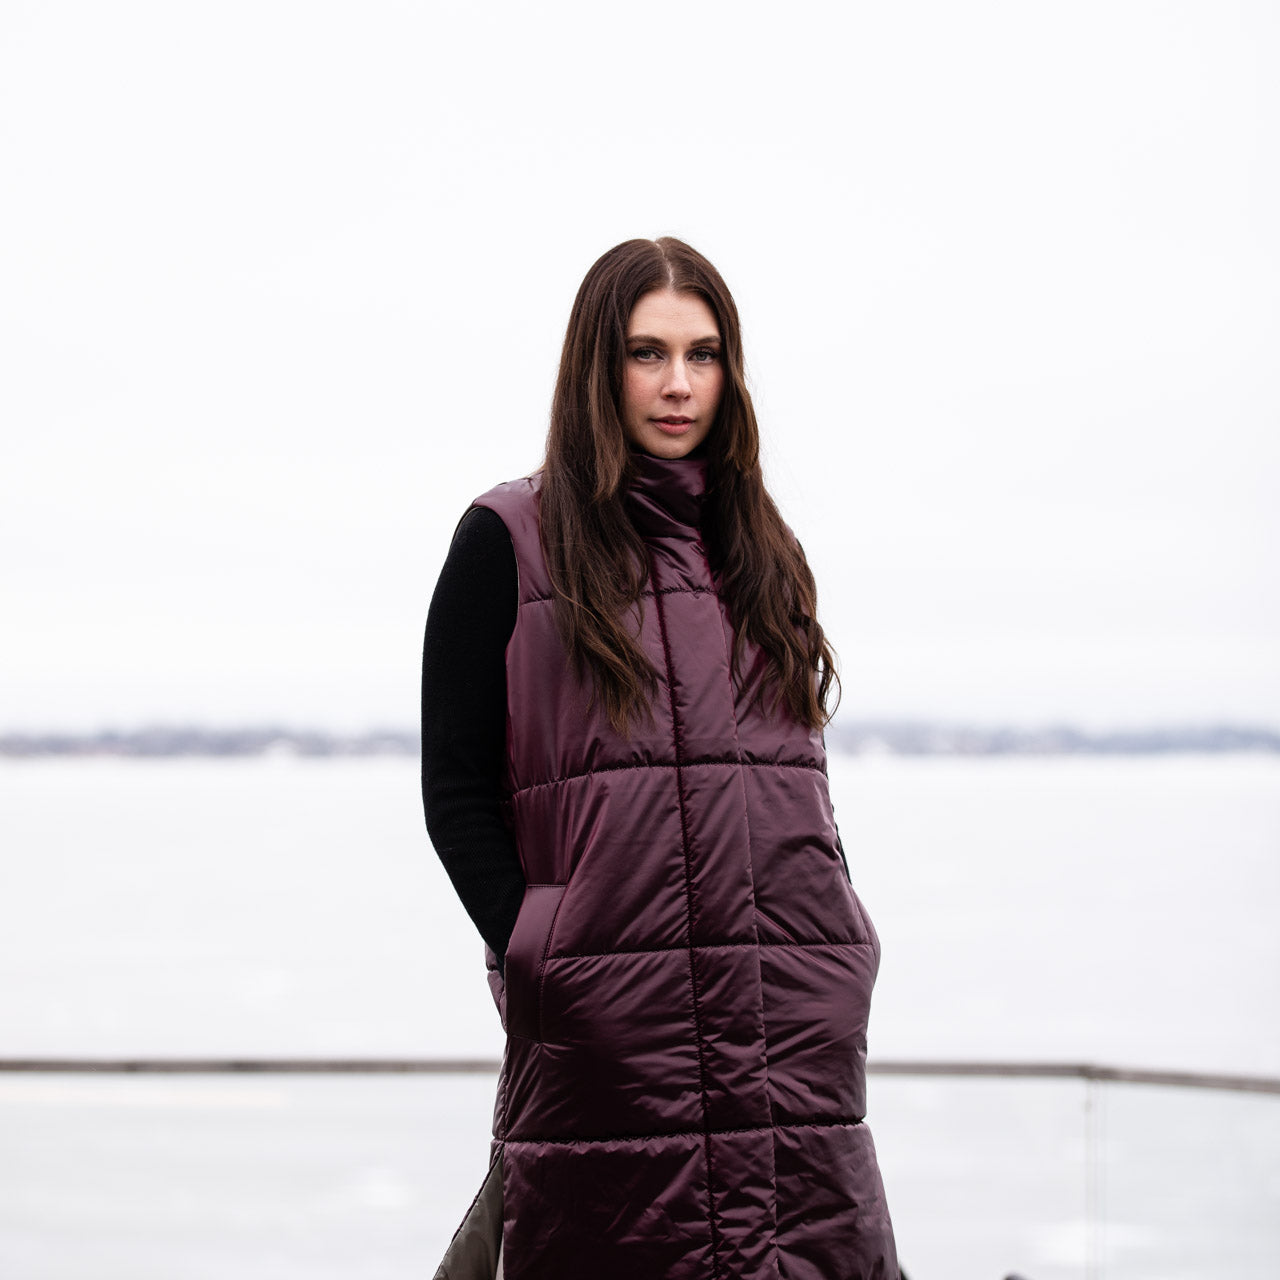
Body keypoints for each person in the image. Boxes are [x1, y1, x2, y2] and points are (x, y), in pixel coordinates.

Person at [422, 237, 898, 1279]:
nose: (678, 383)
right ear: (598, 366)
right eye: (646, 353)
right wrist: (545, 946)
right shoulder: (508, 536)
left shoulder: (762, 550)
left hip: (787, 1031)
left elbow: (798, 786)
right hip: (607, 1032)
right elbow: (454, 790)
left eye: (704, 353)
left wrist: (839, 942)